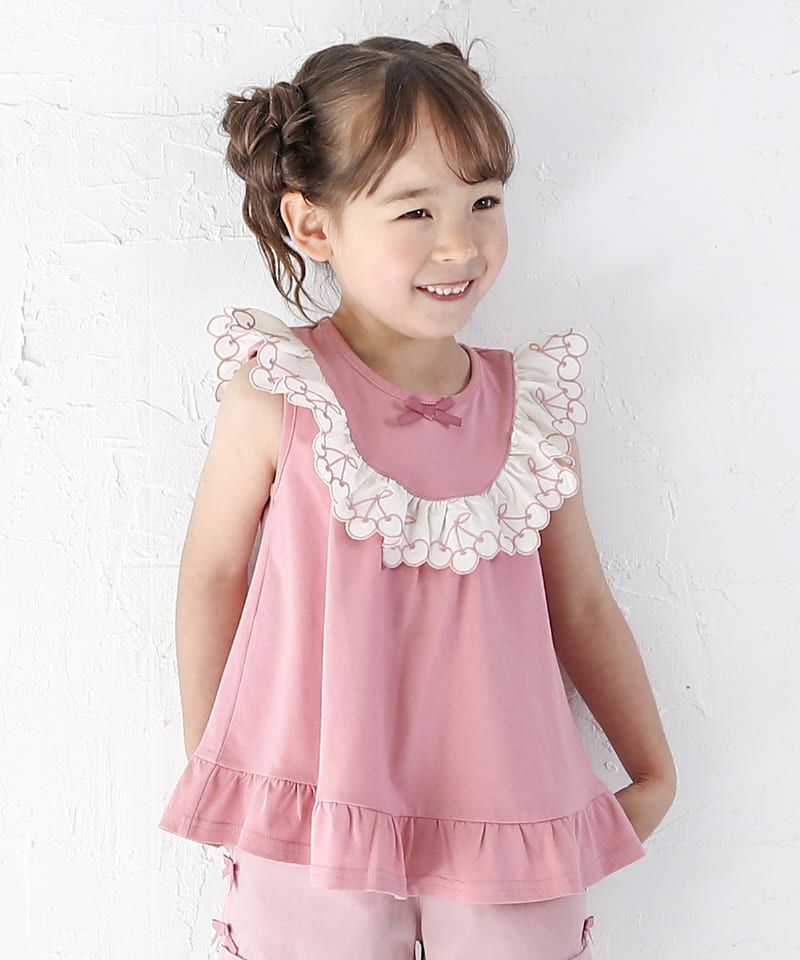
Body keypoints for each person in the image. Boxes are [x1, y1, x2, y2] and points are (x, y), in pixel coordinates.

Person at [158, 34, 677, 959]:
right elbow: (212, 575)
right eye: (415, 210)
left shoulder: (531, 410)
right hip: (313, 818)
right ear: (314, 225)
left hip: (511, 826)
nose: (460, 243)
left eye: (484, 201)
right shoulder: (281, 391)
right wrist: (225, 775)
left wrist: (652, 768)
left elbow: (582, 604)